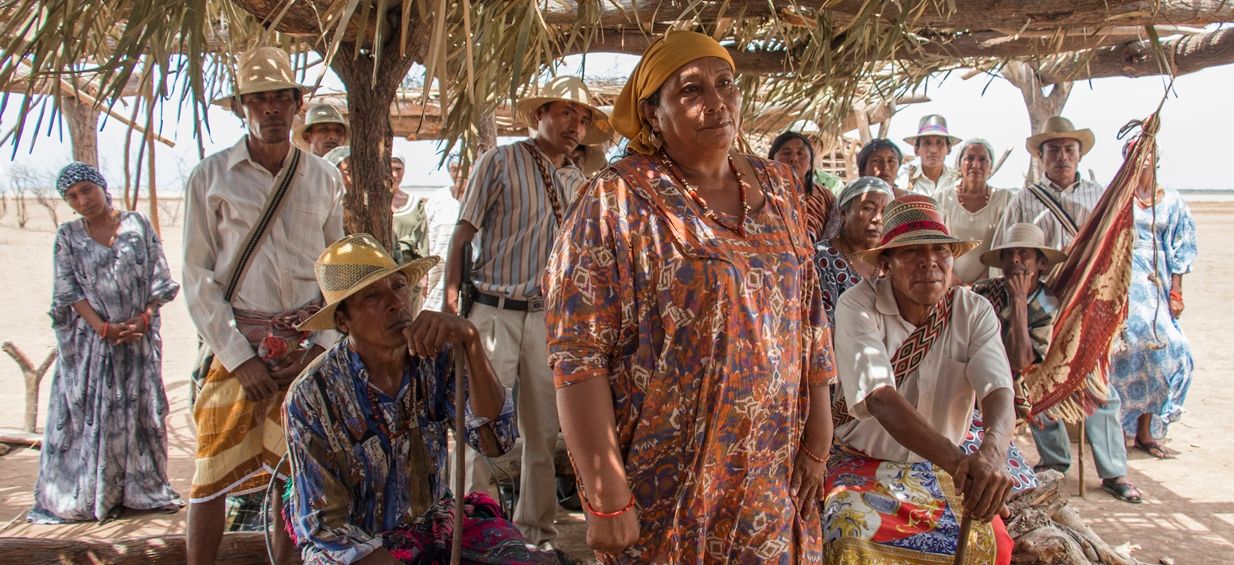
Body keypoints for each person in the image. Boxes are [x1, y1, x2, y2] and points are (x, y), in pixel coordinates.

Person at [545, 30, 836, 562]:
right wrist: (605, 491)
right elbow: (578, 353)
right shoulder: (616, 198)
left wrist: (820, 428)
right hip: (668, 476)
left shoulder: (780, 185)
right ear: (652, 114)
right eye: (691, 90)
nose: (716, 102)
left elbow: (809, 310)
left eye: (726, 84)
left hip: (771, 465)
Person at [282, 234, 555, 564]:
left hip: (435, 529)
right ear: (343, 321)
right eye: (372, 295)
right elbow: (325, 527)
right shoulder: (312, 395)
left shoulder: (436, 359)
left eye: (398, 286)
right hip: (356, 546)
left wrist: (471, 344)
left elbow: (496, 441)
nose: (395, 302)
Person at [183, 46, 344, 564]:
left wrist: (318, 347)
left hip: (303, 353)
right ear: (240, 108)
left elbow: (336, 274)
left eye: (280, 97)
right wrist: (239, 358)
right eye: (258, 99)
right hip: (237, 351)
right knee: (210, 475)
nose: (270, 108)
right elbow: (196, 276)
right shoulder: (211, 177)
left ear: (297, 104)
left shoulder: (324, 178)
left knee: (291, 476)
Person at [443, 74, 610, 548]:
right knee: (477, 425)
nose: (575, 125)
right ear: (540, 115)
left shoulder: (579, 182)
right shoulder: (499, 161)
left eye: (583, 118)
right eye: (566, 112)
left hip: (547, 319)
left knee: (544, 431)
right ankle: (470, 533)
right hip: (492, 312)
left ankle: (535, 534)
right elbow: (462, 235)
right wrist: (451, 307)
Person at [826, 194, 1014, 564]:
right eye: (912, 251)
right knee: (848, 538)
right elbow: (879, 397)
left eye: (940, 250)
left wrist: (993, 452)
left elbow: (998, 388)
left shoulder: (974, 310)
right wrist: (961, 466)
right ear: (886, 263)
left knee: (993, 546)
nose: (929, 261)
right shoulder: (857, 305)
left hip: (943, 467)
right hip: (865, 460)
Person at [993, 115, 1142, 503]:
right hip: (1041, 301)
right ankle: (1054, 460)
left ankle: (1113, 471)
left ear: (1079, 154)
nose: (1062, 156)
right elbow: (1005, 250)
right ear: (1041, 157)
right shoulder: (1023, 200)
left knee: (1096, 382)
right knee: (1038, 379)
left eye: (1069, 149)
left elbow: (1115, 249)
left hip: (1087, 305)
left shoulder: (1098, 197)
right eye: (1054, 150)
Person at [27, 162, 183, 524]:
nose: (82, 200)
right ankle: (97, 492)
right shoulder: (68, 236)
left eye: (87, 190)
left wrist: (144, 318)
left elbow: (158, 276)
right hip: (92, 345)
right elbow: (68, 291)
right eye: (72, 196)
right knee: (90, 415)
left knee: (140, 412)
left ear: (101, 187)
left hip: (138, 340)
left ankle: (139, 490)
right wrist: (103, 328)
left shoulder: (137, 225)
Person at [1110, 137, 1198, 459]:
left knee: (1170, 348)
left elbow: (1181, 245)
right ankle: (1119, 430)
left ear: (1156, 156)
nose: (1142, 157)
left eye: (1147, 151)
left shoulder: (1171, 201)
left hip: (1156, 283)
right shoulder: (1119, 199)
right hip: (1124, 282)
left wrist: (1176, 291)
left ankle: (1146, 429)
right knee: (1125, 351)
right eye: (1135, 152)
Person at [813, 176, 894, 324]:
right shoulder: (822, 258)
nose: (877, 218)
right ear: (843, 213)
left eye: (885, 211)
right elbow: (824, 327)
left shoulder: (893, 261)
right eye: (868, 208)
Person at [936, 138, 1014, 284]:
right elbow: (935, 247)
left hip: (991, 286)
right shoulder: (942, 198)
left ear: (991, 166)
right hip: (947, 284)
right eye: (969, 158)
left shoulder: (1005, 199)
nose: (976, 164)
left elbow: (1007, 249)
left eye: (983, 159)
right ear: (960, 164)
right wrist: (958, 284)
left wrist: (980, 285)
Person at [769, 130, 837, 242]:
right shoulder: (762, 193)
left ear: (810, 164)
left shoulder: (825, 197)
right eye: (786, 153)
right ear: (771, 160)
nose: (794, 158)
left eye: (800, 153)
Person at [422, 155, 466, 312]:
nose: (459, 174)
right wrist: (424, 274)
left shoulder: (478, 199)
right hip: (437, 275)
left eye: (463, 168)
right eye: (454, 169)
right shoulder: (438, 199)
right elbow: (426, 237)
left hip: (468, 278)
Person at [898, 114, 962, 196]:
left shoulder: (957, 181)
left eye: (939, 143)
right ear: (916, 149)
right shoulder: (903, 179)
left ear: (948, 149)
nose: (933, 150)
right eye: (927, 143)